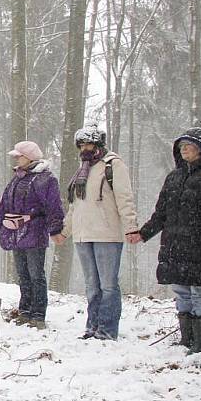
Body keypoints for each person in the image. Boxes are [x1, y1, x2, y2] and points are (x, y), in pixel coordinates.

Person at [134, 128, 201, 355]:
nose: (184, 150)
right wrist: (143, 233)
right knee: (181, 290)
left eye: (189, 146)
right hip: (174, 244)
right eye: (181, 147)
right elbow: (161, 213)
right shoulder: (173, 177)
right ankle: (186, 338)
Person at [58, 121, 139, 340]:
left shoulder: (113, 165)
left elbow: (124, 198)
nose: (84, 148)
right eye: (81, 145)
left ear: (98, 144)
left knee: (108, 285)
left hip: (107, 233)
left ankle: (107, 329)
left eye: (88, 144)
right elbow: (76, 206)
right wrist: (65, 231)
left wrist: (131, 227)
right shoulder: (81, 171)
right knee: (92, 286)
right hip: (84, 235)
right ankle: (92, 326)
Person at [0, 141, 64, 329]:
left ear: (29, 157)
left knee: (36, 275)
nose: (16, 159)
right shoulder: (16, 179)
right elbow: (3, 207)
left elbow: (54, 207)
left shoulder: (46, 179)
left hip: (34, 234)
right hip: (16, 234)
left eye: (19, 156)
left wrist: (55, 229)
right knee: (23, 275)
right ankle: (25, 311)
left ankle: (38, 315)